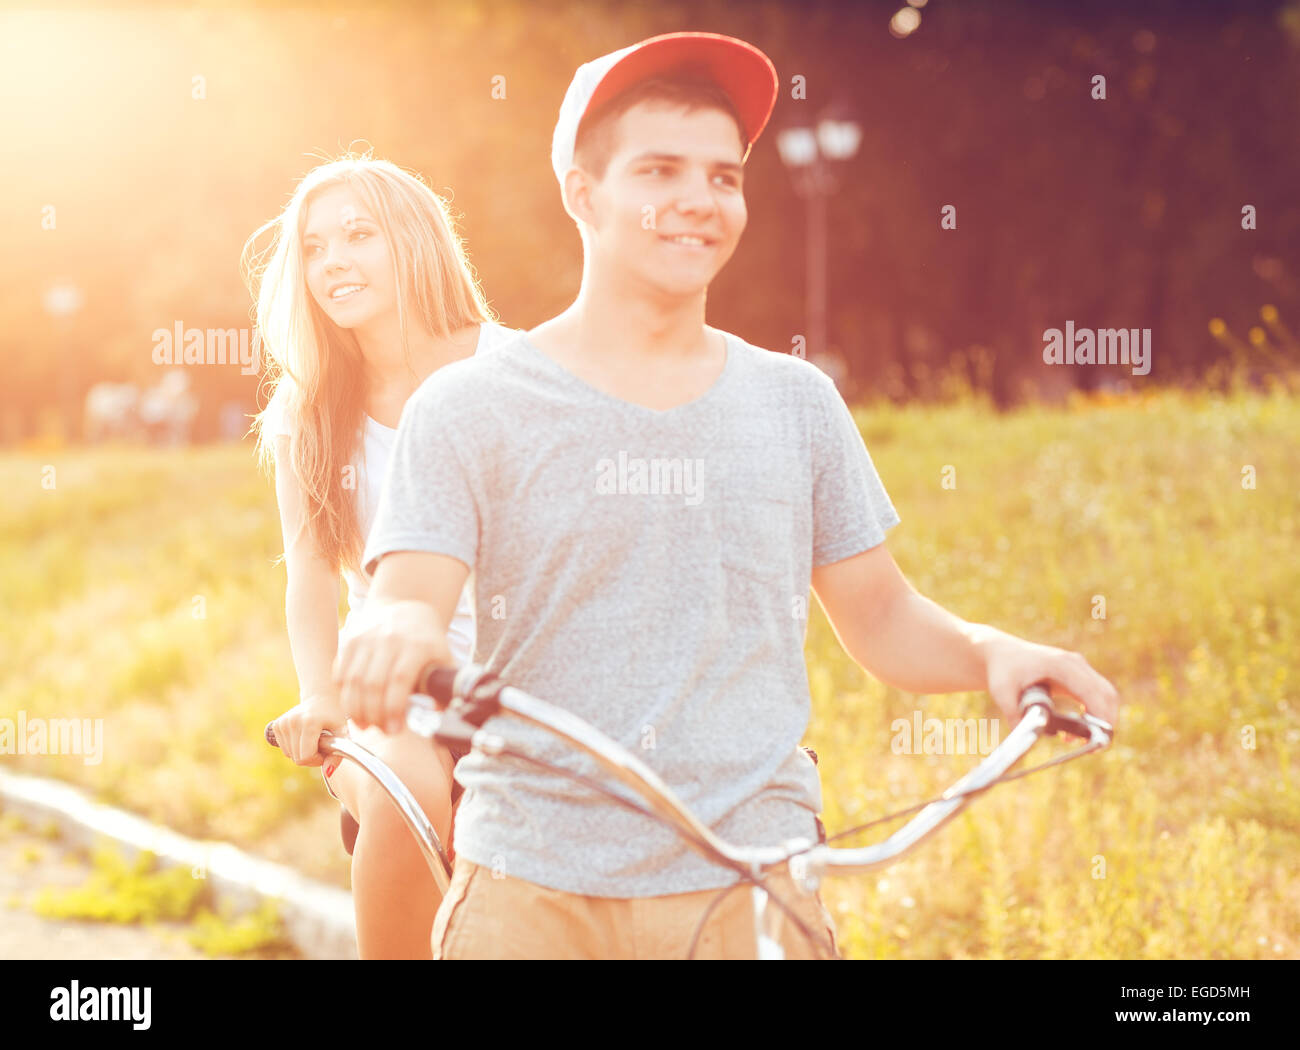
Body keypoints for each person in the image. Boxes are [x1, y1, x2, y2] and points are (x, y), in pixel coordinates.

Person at [335, 33, 1121, 960]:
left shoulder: (797, 404)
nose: (698, 202)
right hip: (532, 887)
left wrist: (994, 653)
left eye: (724, 176)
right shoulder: (470, 406)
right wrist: (398, 634)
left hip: (754, 888)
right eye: (660, 170)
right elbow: (408, 598)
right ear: (583, 195)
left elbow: (879, 614)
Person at [244, 153, 518, 958]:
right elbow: (310, 575)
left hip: (529, 688)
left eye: (357, 235)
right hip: (389, 696)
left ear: (414, 238)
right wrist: (319, 695)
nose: (333, 262)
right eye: (315, 247)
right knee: (405, 792)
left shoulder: (517, 369)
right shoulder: (308, 410)